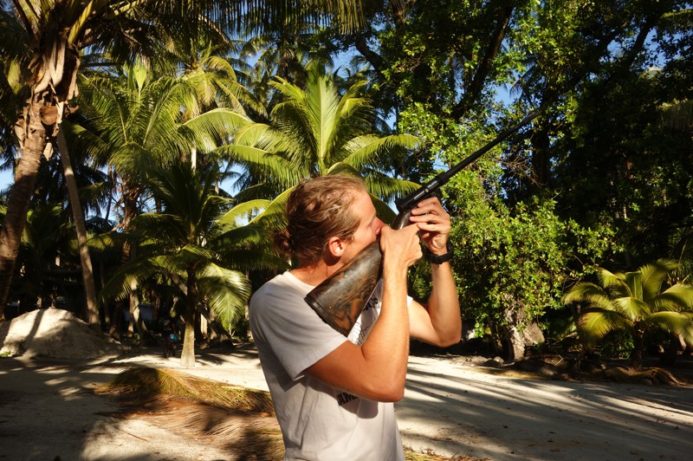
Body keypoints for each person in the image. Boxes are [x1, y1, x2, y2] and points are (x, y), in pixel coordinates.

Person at [249, 175, 461, 460]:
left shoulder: (371, 282)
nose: (383, 227)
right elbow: (384, 383)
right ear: (337, 245)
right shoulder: (278, 301)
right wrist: (396, 268)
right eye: (371, 223)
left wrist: (438, 253)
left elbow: (445, 332)